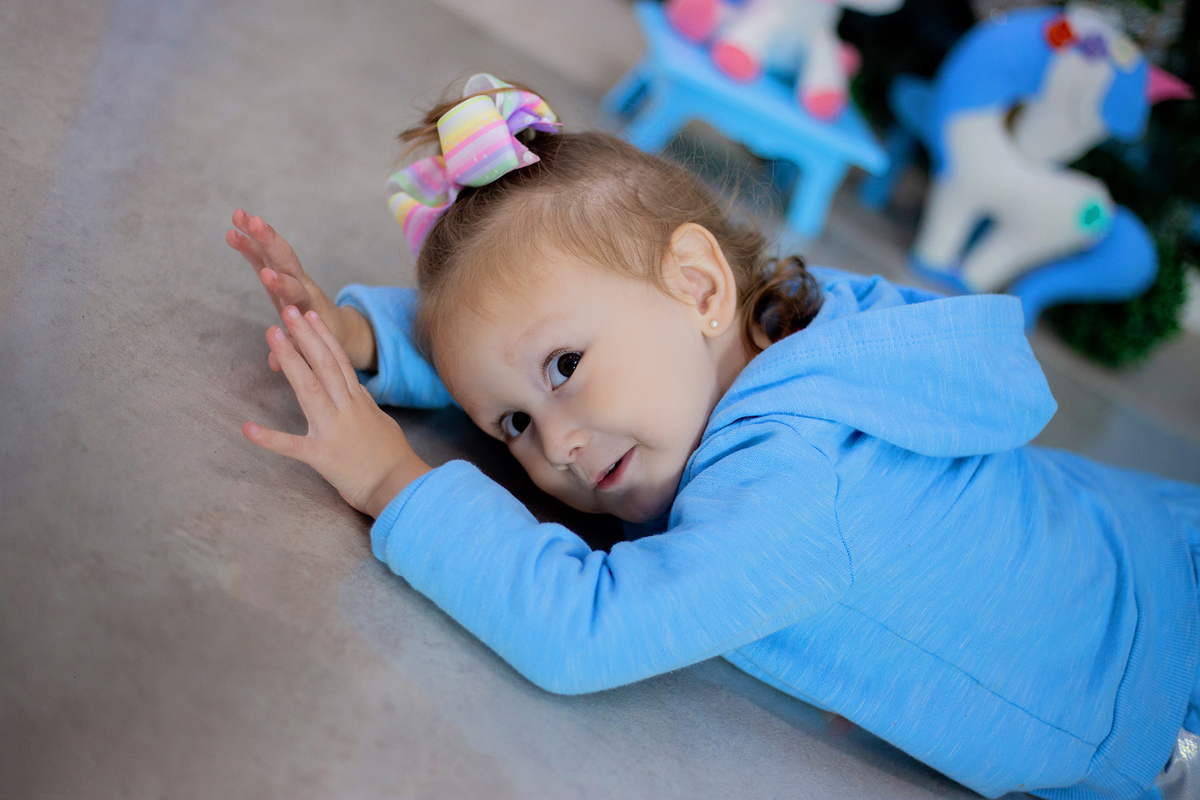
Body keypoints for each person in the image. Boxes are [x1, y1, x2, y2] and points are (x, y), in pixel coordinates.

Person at [227, 74, 1200, 800]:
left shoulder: (790, 489)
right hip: (1150, 538)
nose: (556, 443)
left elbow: (584, 628)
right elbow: (523, 330)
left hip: (1166, 700)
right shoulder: (803, 327)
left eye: (566, 370)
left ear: (698, 287)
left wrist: (397, 480)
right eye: (512, 424)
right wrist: (363, 340)